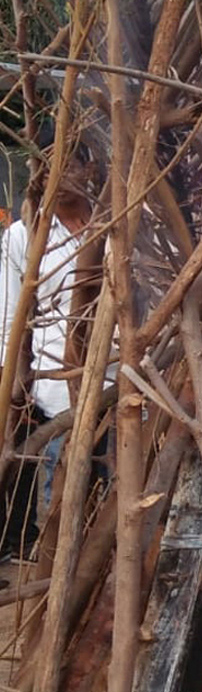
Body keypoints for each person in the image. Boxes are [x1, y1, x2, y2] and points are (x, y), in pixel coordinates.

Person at [1, 144, 98, 560]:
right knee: (61, 490)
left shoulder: (119, 222)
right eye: (46, 170)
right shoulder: (26, 234)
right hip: (56, 392)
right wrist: (13, 383)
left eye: (69, 165)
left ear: (90, 168)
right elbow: (10, 315)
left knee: (111, 487)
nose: (57, 179)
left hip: (122, 383)